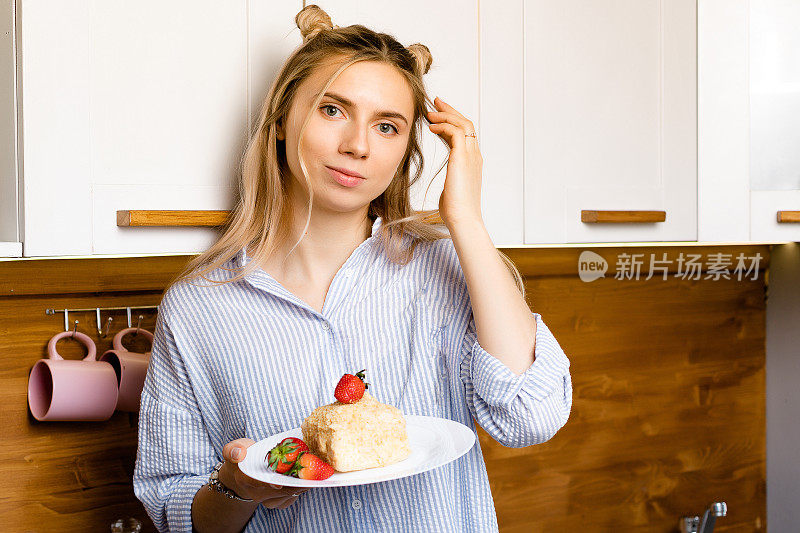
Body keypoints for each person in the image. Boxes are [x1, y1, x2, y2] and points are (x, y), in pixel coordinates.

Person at [132, 5, 572, 532]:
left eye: (387, 127)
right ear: (280, 121)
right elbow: (175, 508)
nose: (358, 145)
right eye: (333, 110)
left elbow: (530, 417)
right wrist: (238, 486)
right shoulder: (200, 307)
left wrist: (467, 221)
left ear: (404, 154)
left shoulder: (443, 270)